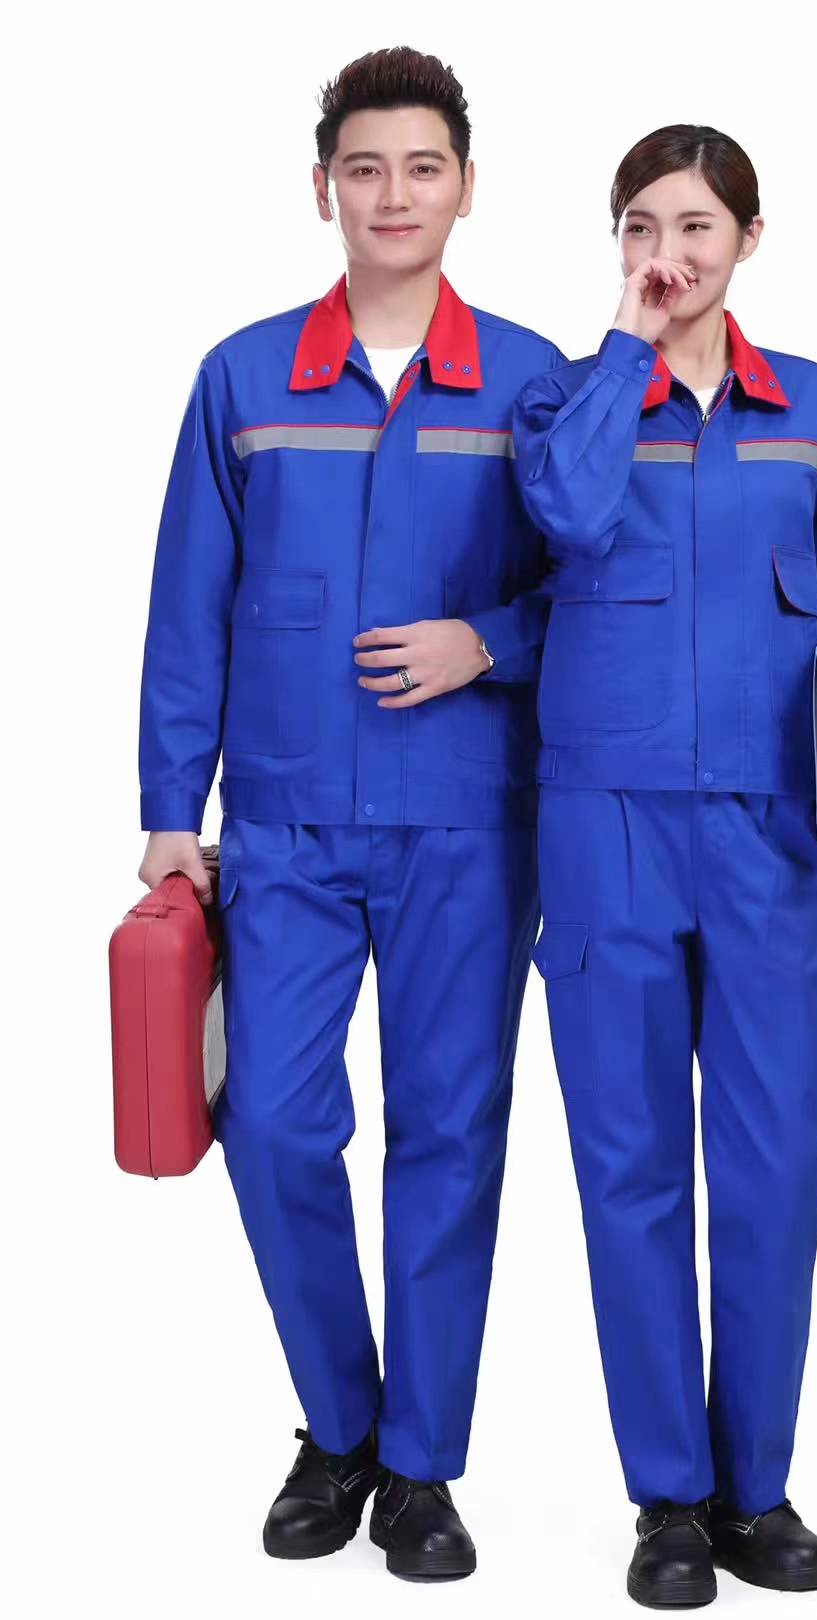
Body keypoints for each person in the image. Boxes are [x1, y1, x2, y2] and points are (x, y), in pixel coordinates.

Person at [137, 47, 563, 1581]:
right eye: (366, 168)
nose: (395, 195)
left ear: (466, 188)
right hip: (289, 826)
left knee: (451, 1135)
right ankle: (341, 1425)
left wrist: (486, 644)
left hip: (470, 821)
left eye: (423, 167)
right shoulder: (244, 378)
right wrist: (168, 806)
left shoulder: (532, 381)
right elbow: (191, 603)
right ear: (323, 185)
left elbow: (596, 589)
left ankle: (422, 1468)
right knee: (270, 1122)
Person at [513, 123, 817, 1608]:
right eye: (639, 227)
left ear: (750, 237)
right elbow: (565, 513)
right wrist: (627, 351)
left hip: (766, 838)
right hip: (605, 830)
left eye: (694, 227)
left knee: (770, 1168)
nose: (666, 254)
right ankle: (669, 1500)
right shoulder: (568, 401)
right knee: (628, 1169)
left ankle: (759, 1489)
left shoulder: (813, 408)